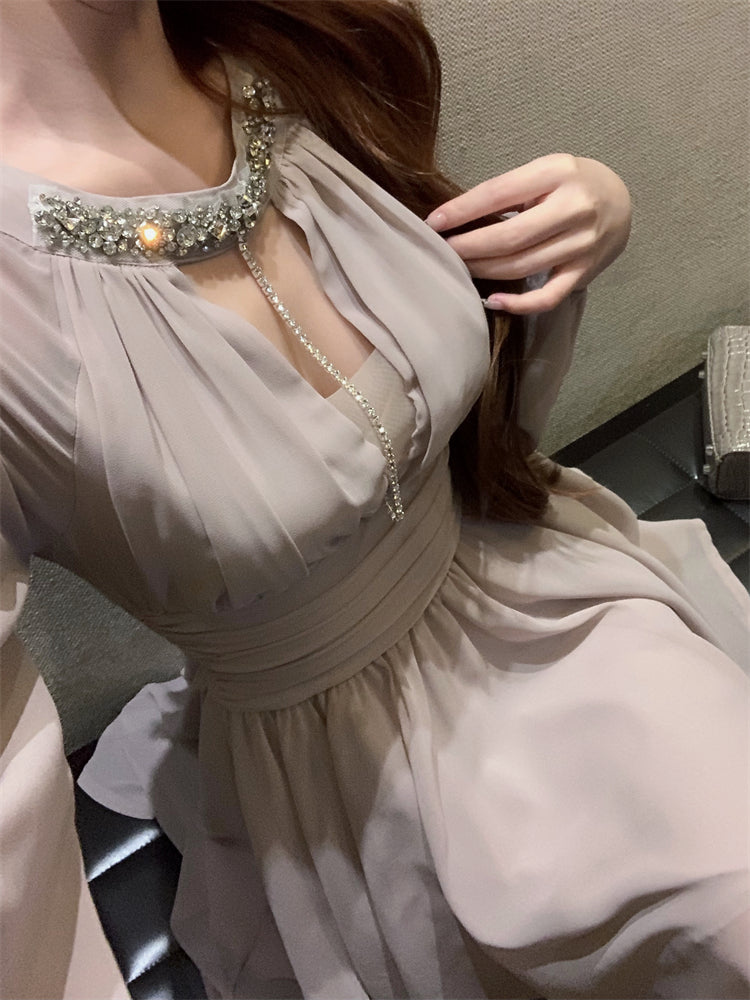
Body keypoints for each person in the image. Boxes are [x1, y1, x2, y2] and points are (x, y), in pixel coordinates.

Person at [0, 1, 747, 998]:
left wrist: (592, 214)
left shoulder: (293, 42)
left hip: (543, 588)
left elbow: (453, 401)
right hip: (337, 781)